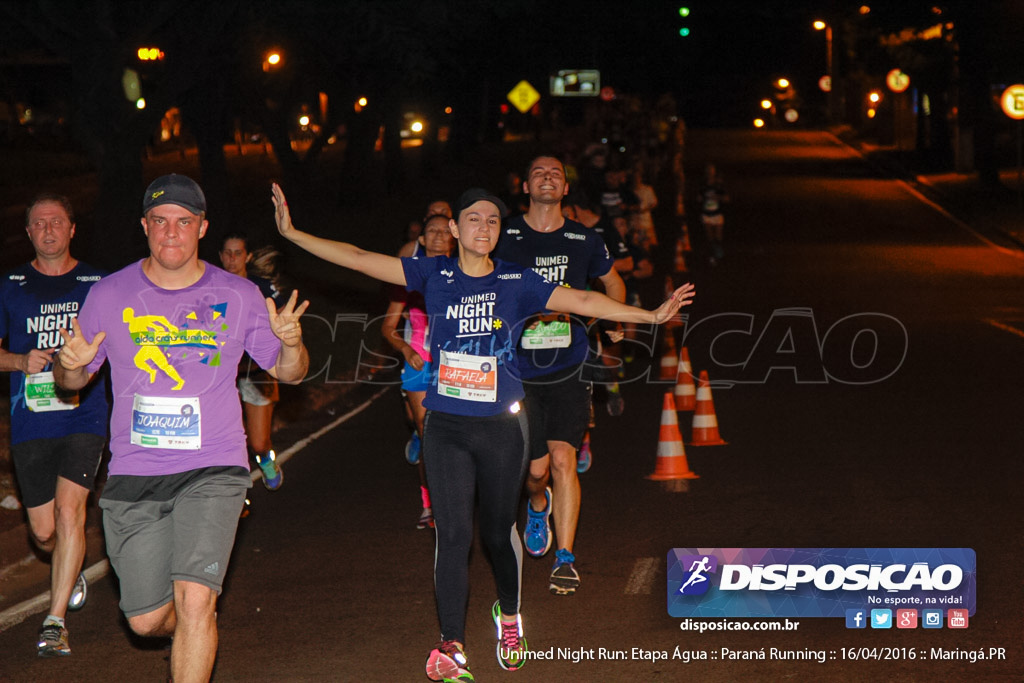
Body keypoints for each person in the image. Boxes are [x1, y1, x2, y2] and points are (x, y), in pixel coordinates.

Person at [271, 183, 692, 682]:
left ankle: (509, 616)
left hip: (502, 427)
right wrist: (293, 234)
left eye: (493, 221)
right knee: (452, 537)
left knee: (495, 533)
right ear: (453, 229)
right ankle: (451, 644)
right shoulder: (434, 272)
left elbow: (581, 298)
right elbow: (360, 258)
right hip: (446, 424)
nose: (483, 228)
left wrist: (647, 315)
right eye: (473, 219)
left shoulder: (518, 279)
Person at [54, 174, 309, 683]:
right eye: (160, 221)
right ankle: (196, 630)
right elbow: (71, 380)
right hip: (135, 473)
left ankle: (198, 622)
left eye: (184, 222)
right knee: (147, 619)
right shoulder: (109, 294)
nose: (171, 233)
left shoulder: (237, 295)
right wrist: (70, 366)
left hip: (214, 467)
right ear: (145, 226)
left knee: (195, 600)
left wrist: (292, 343)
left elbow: (291, 372)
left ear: (202, 228)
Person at [0, 193, 108, 657]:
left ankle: (54, 621)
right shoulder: (10, 284)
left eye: (57, 222)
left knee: (70, 514)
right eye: (39, 224)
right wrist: (20, 359)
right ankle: (69, 560)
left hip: (85, 414)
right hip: (32, 420)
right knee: (44, 532)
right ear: (28, 233)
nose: (48, 230)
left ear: (71, 229)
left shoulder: (97, 284)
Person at [380, 214, 454, 529]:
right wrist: (406, 349)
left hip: (456, 365)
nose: (438, 236)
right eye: (431, 231)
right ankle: (430, 502)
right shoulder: (408, 278)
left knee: (459, 434)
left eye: (443, 231)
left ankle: (459, 495)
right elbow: (387, 328)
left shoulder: (467, 273)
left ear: (454, 236)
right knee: (430, 435)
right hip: (419, 363)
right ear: (420, 241)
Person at [219, 233, 284, 490]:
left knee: (258, 442)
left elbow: (280, 322)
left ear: (247, 256)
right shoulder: (209, 287)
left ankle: (266, 458)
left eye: (238, 253)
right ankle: (236, 491)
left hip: (257, 371)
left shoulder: (262, 288)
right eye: (228, 253)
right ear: (221, 257)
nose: (233, 258)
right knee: (227, 440)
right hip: (222, 373)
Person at [699, 163, 728, 264]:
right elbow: (699, 197)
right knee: (710, 237)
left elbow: (726, 198)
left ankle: (719, 255)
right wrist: (701, 199)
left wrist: (717, 198)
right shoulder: (703, 184)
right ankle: (712, 256)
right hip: (707, 214)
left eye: (712, 170)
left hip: (717, 214)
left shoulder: (718, 184)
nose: (710, 173)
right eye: (708, 170)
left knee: (718, 237)